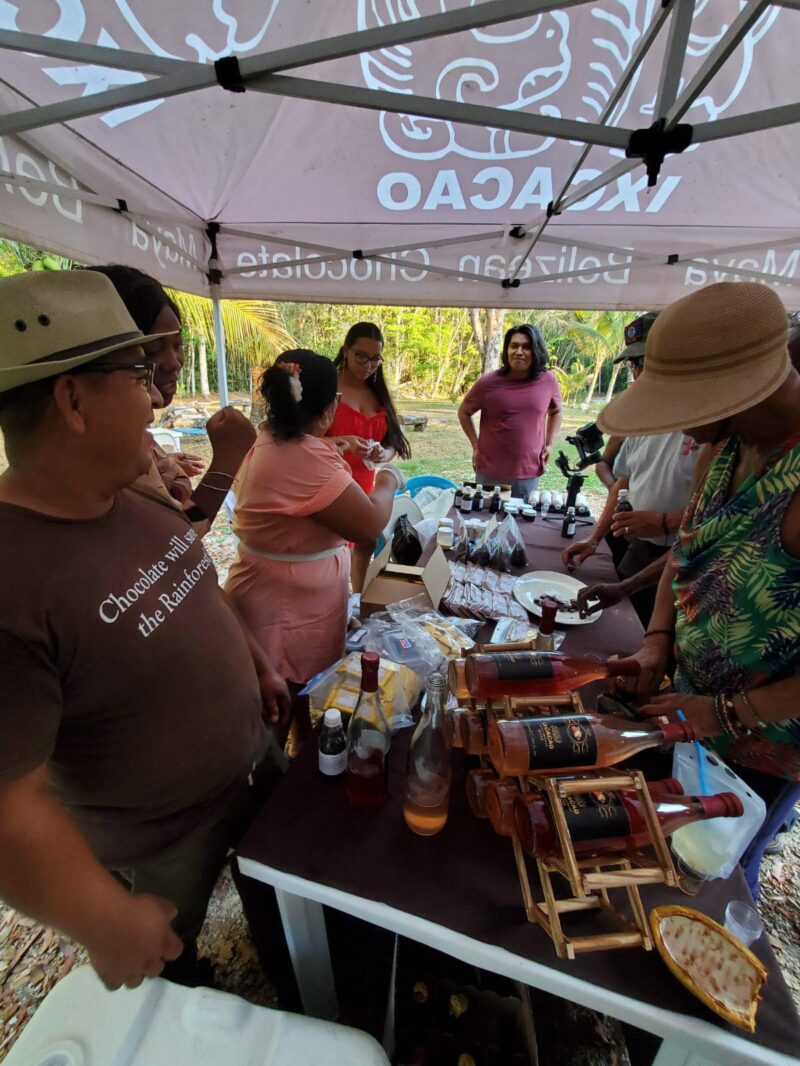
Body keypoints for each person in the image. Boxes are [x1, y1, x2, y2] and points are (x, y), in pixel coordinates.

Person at [0, 270, 290, 990]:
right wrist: (106, 918)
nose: (158, 395)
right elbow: (9, 801)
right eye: (138, 373)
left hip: (253, 761)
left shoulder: (132, 487)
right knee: (166, 965)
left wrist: (253, 661)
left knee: (279, 897)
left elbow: (197, 580)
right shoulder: (10, 573)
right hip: (161, 842)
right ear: (72, 400)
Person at [600, 281, 800, 898]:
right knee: (654, 856)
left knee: (710, 879)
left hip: (761, 749)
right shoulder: (725, 447)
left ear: (740, 391)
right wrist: (657, 640)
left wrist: (727, 713)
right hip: (690, 710)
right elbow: (684, 554)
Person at [226, 349, 404, 744]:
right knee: (277, 706)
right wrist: (390, 477)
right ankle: (276, 787)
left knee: (297, 694)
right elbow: (371, 523)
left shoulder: (272, 437)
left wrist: (335, 445)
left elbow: (301, 461)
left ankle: (297, 754)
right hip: (283, 608)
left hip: (280, 594)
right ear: (328, 409)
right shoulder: (303, 460)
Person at [563, 312, 709, 627]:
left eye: (642, 363)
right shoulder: (643, 416)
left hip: (687, 559)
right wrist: (593, 540)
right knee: (616, 624)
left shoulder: (711, 424)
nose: (638, 376)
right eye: (634, 366)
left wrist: (664, 522)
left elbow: (718, 512)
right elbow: (623, 481)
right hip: (641, 549)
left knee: (656, 635)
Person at [87, 265, 256, 527]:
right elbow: (180, 538)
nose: (174, 362)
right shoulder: (107, 456)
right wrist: (227, 460)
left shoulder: (137, 442)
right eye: (152, 349)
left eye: (178, 346)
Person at [326, 322, 411, 591]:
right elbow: (302, 442)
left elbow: (393, 443)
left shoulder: (378, 392)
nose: (368, 365)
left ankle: (358, 599)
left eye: (375, 358)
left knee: (365, 543)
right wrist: (344, 443)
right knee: (333, 549)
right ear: (345, 351)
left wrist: (383, 452)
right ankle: (336, 600)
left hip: (365, 482)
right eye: (361, 356)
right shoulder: (328, 389)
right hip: (331, 484)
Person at [458, 324, 562, 498]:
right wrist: (475, 447)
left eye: (526, 347)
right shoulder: (488, 382)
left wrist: (549, 443)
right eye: (514, 346)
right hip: (490, 472)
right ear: (507, 350)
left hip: (528, 472)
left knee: (522, 522)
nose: (519, 351)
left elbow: (556, 411)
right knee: (486, 521)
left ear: (536, 351)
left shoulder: (548, 380)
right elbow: (464, 412)